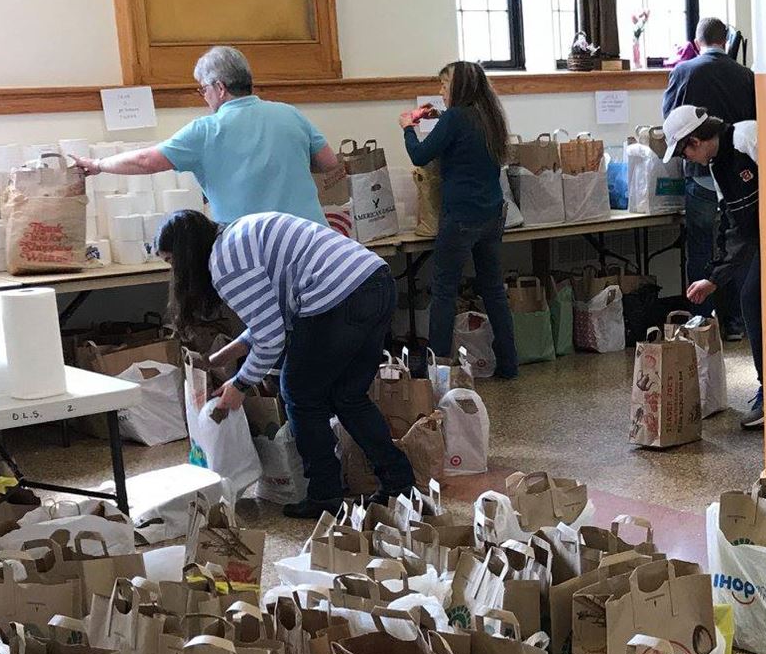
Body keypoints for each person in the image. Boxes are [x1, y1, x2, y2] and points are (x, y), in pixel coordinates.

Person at [156, 209, 414, 520]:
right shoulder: (238, 233)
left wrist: (240, 385)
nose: (174, 273)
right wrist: (229, 354)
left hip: (335, 298)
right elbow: (272, 313)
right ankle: (399, 484)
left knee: (300, 395)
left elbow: (271, 337)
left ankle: (325, 496)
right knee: (349, 396)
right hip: (375, 281)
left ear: (185, 255)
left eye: (171, 263)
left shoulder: (225, 265)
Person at [71, 45, 332, 225]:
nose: (204, 96)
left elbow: (145, 160)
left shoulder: (206, 130)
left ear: (220, 88)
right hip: (313, 240)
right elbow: (329, 162)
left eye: (203, 89)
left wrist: (98, 165)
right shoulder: (290, 114)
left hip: (253, 249)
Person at [400, 61, 517, 377]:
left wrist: (408, 127)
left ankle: (437, 370)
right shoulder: (489, 117)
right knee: (493, 290)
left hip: (461, 216)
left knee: (443, 291)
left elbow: (420, 155)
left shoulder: (456, 118)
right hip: (492, 215)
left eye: (443, 84)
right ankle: (508, 364)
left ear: (459, 86)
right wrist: (440, 119)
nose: (440, 91)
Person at [663, 103, 762, 429]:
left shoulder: (747, 136)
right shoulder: (718, 167)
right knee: (751, 300)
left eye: (683, 153)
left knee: (752, 299)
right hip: (763, 239)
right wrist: (713, 278)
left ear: (694, 141)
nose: (687, 160)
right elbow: (731, 224)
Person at [662, 17, 755, 334]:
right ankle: (734, 322)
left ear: (697, 41)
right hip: (743, 178)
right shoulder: (746, 74)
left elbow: (670, 119)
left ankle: (698, 321)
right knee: (740, 245)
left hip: (704, 179)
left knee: (703, 247)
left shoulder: (684, 72)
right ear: (724, 39)